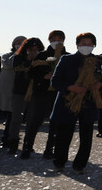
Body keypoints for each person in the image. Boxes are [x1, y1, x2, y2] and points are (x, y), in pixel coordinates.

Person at [50, 32, 102, 173]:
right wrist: (71, 88)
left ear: (94, 45)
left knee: (86, 137)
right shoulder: (67, 59)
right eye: (83, 43)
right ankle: (59, 162)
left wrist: (100, 85)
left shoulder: (99, 61)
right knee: (64, 135)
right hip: (68, 102)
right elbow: (55, 81)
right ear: (77, 45)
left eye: (89, 44)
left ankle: (80, 165)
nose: (86, 46)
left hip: (89, 103)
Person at [20, 30, 68, 159]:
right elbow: (30, 73)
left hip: (59, 94)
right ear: (49, 40)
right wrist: (43, 76)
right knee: (34, 121)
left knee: (56, 123)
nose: (56, 42)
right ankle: (27, 147)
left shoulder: (67, 57)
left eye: (59, 39)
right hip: (41, 93)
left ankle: (49, 150)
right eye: (54, 39)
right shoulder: (42, 55)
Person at [7, 37, 45, 155]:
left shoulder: (42, 59)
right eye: (30, 49)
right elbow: (18, 70)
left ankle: (28, 144)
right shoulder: (18, 57)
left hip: (35, 92)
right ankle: (13, 143)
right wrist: (29, 59)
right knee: (16, 119)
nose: (33, 51)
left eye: (36, 49)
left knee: (31, 120)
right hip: (19, 91)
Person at [0, 36, 26, 147]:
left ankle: (8, 139)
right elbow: (9, 64)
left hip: (16, 91)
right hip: (2, 90)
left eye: (22, 43)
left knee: (12, 117)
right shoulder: (6, 56)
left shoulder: (27, 58)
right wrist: (19, 52)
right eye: (17, 42)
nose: (19, 44)